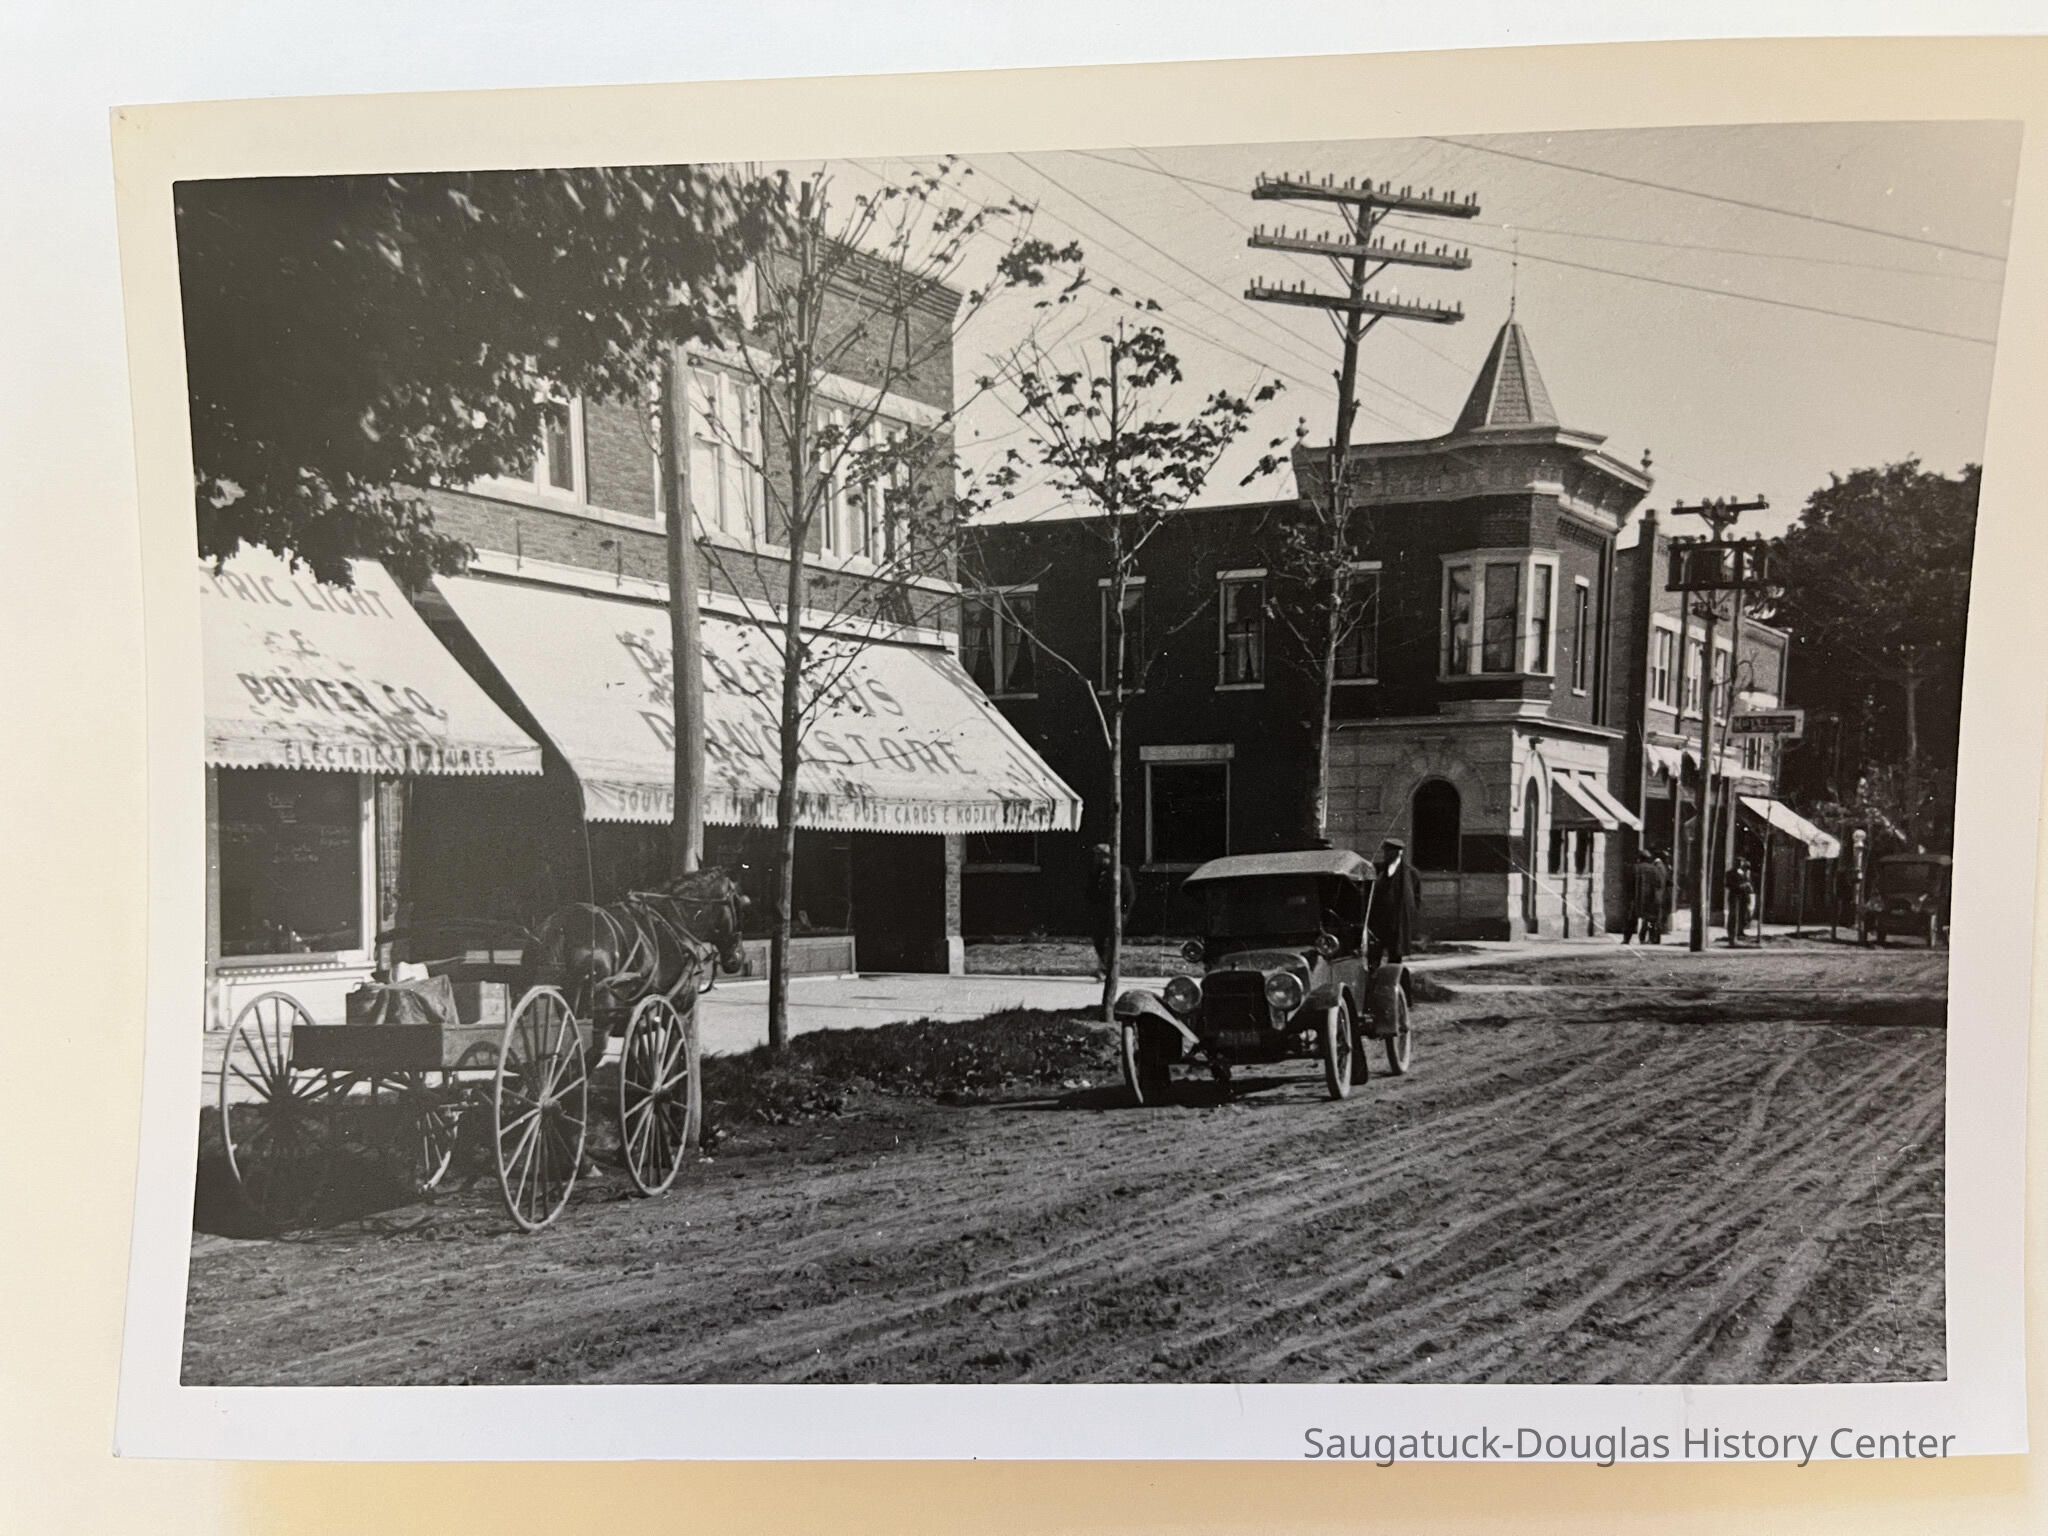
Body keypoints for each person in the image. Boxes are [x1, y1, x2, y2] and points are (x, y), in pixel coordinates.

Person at [1368, 837, 1423, 965]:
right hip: (1377, 922)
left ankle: (1392, 982)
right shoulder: (1377, 870)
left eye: (1390, 852)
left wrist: (1410, 916)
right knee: (1373, 956)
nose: (1386, 855)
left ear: (1399, 853)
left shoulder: (1411, 874)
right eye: (1386, 852)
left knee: (1395, 957)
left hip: (1397, 923)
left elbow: (1416, 899)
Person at [1088, 842, 1135, 978]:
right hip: (1100, 914)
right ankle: (1103, 967)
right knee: (1099, 940)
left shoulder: (1121, 871)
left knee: (1111, 942)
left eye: (1100, 856)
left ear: (1108, 856)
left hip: (1116, 913)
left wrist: (1124, 913)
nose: (1097, 859)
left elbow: (1129, 894)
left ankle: (1107, 971)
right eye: (1096, 856)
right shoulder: (1096, 872)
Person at [1622, 846, 1657, 944]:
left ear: (1640, 858)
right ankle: (1646, 938)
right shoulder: (1653, 869)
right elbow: (1657, 884)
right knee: (1649, 919)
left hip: (1635, 897)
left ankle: (1626, 938)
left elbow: (1628, 883)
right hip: (1648, 898)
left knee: (1631, 920)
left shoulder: (1634, 868)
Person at [1725, 856, 1755, 946]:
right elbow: (1728, 884)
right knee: (1733, 915)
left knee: (1743, 914)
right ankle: (1732, 935)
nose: (1739, 864)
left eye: (1741, 862)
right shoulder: (1730, 873)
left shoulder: (1744, 873)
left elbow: (1748, 883)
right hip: (1735, 896)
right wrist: (1742, 886)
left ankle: (1740, 931)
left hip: (1743, 897)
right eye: (1737, 862)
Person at [1646, 851, 1671, 943]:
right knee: (1655, 919)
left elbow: (1658, 882)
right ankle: (1654, 938)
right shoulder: (1662, 867)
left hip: (1655, 896)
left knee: (1653, 919)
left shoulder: (1658, 867)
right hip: (1659, 896)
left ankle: (1654, 938)